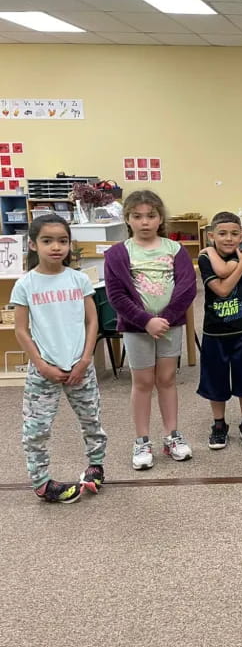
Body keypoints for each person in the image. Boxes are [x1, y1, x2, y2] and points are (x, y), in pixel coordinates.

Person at [13, 215, 106, 503]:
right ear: (32, 244)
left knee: (92, 420)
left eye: (62, 241)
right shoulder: (26, 284)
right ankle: (41, 481)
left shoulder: (79, 280)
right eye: (47, 240)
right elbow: (20, 329)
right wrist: (41, 364)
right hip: (44, 370)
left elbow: (93, 322)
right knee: (36, 429)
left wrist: (85, 359)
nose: (56, 247)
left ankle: (96, 466)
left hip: (81, 365)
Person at [104, 190, 197, 470]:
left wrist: (165, 318)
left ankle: (172, 435)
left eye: (151, 216)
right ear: (128, 219)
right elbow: (116, 295)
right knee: (143, 382)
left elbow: (187, 287)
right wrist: (145, 320)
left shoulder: (174, 249)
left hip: (170, 325)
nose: (144, 222)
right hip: (136, 327)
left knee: (167, 379)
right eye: (137, 216)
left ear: (160, 219)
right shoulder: (118, 253)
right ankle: (142, 440)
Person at [197, 211, 242, 450]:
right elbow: (223, 288)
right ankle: (219, 424)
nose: (228, 238)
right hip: (215, 333)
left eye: (235, 234)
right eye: (222, 234)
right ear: (211, 235)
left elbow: (228, 272)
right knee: (215, 381)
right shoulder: (206, 259)